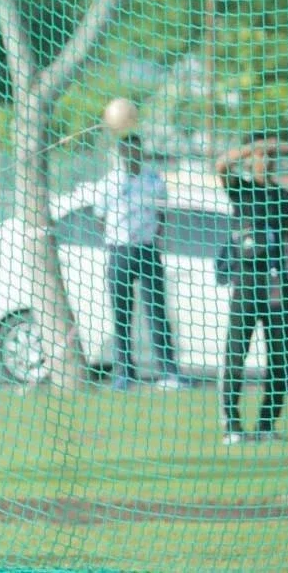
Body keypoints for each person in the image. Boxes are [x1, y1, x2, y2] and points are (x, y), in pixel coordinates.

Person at [215, 133, 288, 444]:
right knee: (236, 354)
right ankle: (232, 425)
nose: (266, 160)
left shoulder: (284, 197)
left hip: (277, 284)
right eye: (260, 155)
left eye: (269, 155)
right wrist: (254, 147)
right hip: (248, 282)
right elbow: (221, 165)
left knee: (280, 357)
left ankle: (267, 424)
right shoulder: (242, 189)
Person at [92, 134, 189, 391]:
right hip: (120, 252)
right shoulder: (109, 182)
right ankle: (125, 372)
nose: (131, 155)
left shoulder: (153, 180)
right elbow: (99, 217)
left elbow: (161, 214)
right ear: (121, 152)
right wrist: (116, 238)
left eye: (135, 150)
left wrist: (152, 237)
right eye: (126, 150)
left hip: (148, 251)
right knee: (121, 315)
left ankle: (169, 370)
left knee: (157, 312)